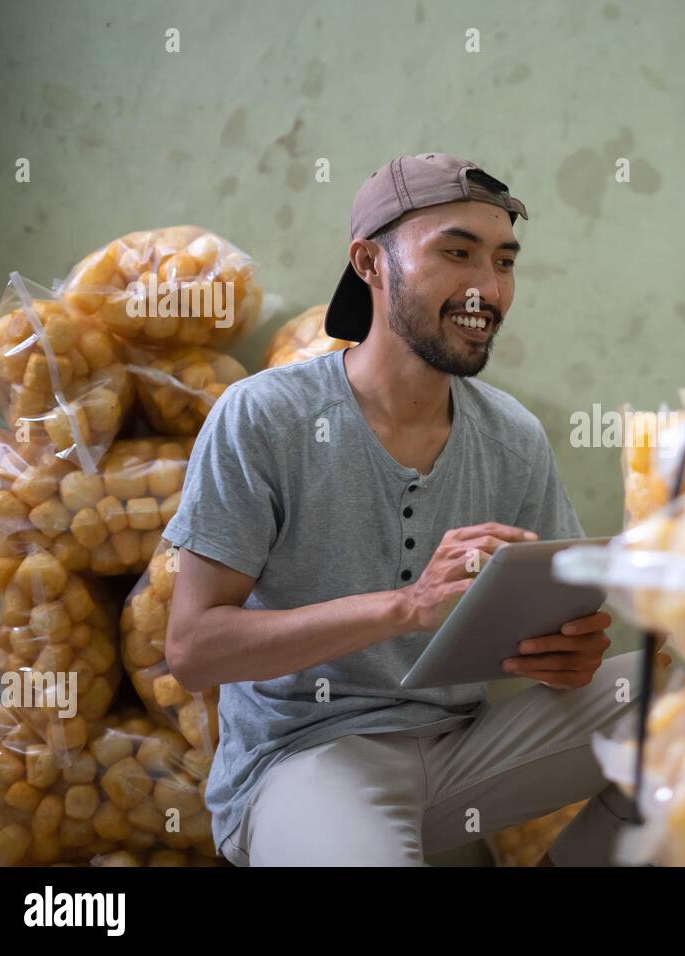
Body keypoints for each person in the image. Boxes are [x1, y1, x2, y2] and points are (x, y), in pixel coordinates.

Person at [163, 152, 652, 866]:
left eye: (504, 263)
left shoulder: (510, 434)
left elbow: (558, 638)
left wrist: (567, 657)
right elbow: (193, 650)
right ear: (369, 262)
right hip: (306, 761)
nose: (488, 288)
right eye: (456, 254)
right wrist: (406, 607)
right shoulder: (264, 416)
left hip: (466, 752)